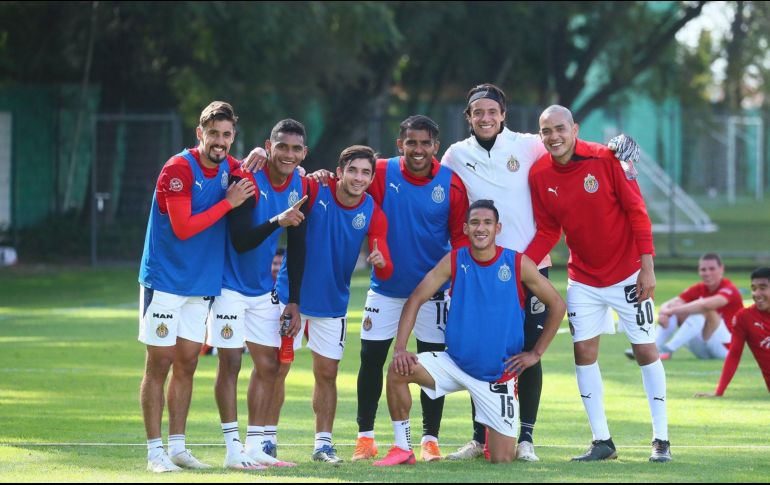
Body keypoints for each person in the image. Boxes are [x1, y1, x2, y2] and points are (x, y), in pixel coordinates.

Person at [440, 83, 639, 462]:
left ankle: (526, 438)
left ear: (503, 115)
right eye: (477, 112)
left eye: (491, 112)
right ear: (468, 117)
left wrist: (617, 147)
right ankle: (479, 439)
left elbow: (572, 145)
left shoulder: (529, 144)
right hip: (481, 271)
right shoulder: (456, 154)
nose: (485, 118)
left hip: (531, 268)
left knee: (529, 352)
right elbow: (425, 173)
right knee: (481, 352)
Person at [525, 105, 670, 462]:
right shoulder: (539, 173)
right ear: (540, 135)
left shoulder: (607, 158)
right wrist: (520, 265)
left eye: (560, 128)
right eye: (547, 132)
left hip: (629, 274)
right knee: (583, 354)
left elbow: (638, 212)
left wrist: (647, 268)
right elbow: (548, 229)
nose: (554, 137)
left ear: (575, 128)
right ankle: (602, 441)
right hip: (583, 280)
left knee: (645, 350)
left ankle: (661, 440)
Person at [372, 200, 566, 466]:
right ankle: (402, 448)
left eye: (487, 223)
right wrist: (401, 348)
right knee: (398, 370)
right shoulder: (454, 260)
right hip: (455, 364)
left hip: (499, 374)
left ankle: (490, 435)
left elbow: (557, 304)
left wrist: (536, 353)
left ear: (498, 228)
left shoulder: (518, 263)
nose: (481, 228)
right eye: (475, 222)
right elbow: (415, 299)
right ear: (465, 228)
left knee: (502, 459)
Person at [137, 101, 255, 473]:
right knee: (160, 365)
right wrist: (228, 203)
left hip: (201, 284)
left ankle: (178, 448)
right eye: (214, 134)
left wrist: (262, 155)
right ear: (199, 133)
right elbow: (184, 226)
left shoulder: (230, 167)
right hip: (166, 282)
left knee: (187, 364)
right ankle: (154, 452)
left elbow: (264, 167)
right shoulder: (178, 168)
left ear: (232, 136)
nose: (220, 142)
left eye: (227, 135)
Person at [348, 115, 469, 463]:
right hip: (385, 289)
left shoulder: (452, 184)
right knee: (371, 360)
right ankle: (365, 437)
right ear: (400, 144)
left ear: (436, 147)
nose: (418, 149)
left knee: (430, 364)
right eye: (411, 143)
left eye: (425, 143)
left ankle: (430, 440)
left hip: (433, 294)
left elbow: (460, 242)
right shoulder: (381, 172)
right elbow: (351, 191)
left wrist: (457, 289)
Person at [275, 144, 393, 464]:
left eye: (365, 172)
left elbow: (385, 263)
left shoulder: (372, 210)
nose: (358, 177)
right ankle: (265, 440)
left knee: (327, 374)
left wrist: (380, 260)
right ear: (339, 172)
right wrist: (300, 172)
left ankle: (323, 445)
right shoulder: (315, 188)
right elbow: (286, 181)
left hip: (332, 305)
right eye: (352, 170)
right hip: (290, 299)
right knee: (276, 369)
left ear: (371, 177)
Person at [207, 119, 312, 469]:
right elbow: (239, 242)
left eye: (296, 149)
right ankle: (231, 449)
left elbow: (297, 248)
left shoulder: (301, 184)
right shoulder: (247, 179)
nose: (288, 154)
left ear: (304, 153)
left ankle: (255, 448)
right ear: (268, 146)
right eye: (282, 146)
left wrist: (294, 301)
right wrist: (276, 222)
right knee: (232, 363)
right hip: (228, 288)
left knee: (270, 365)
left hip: (262, 292)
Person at [627, 253, 742, 361]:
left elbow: (706, 305)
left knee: (704, 310)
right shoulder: (699, 288)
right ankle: (652, 348)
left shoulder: (730, 288)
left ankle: (669, 349)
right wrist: (664, 312)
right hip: (703, 348)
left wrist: (670, 311)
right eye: (703, 269)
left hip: (727, 348)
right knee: (677, 308)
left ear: (721, 269)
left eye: (712, 269)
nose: (707, 273)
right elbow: (670, 303)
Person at [695, 267, 770, 397]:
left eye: (763, 288)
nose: (756, 293)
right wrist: (719, 392)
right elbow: (734, 355)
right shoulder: (744, 317)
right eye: (753, 288)